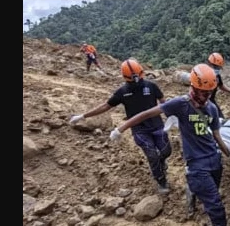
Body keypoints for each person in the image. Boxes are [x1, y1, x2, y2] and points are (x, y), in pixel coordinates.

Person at [108, 63, 230, 226]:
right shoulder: (180, 104)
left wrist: (229, 154)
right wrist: (120, 129)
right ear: (194, 87)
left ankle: (192, 191)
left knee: (211, 188)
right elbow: (147, 113)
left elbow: (216, 135)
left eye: (209, 93)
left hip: (214, 159)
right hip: (196, 164)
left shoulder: (211, 108)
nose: (206, 97)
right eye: (203, 92)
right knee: (215, 203)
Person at [69, 58, 172, 194]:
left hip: (157, 125)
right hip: (139, 130)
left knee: (166, 151)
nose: (137, 80)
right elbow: (106, 106)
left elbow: (164, 102)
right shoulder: (122, 92)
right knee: (152, 155)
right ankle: (161, 181)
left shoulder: (151, 86)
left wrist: (173, 115)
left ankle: (161, 163)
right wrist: (83, 116)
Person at [205, 52, 230, 119]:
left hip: (211, 101)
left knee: (220, 118)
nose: (217, 69)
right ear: (209, 64)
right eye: (216, 67)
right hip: (202, 101)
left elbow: (221, 86)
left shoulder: (217, 76)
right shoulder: (203, 75)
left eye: (218, 68)